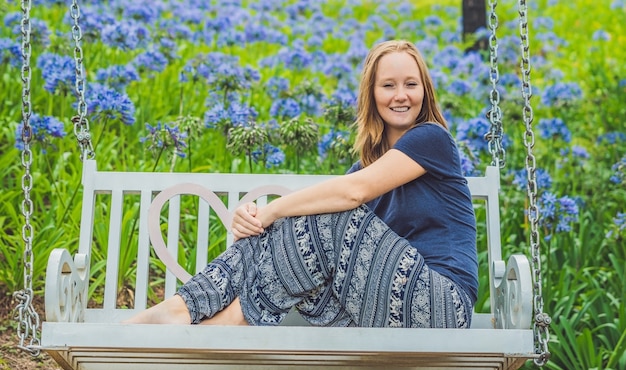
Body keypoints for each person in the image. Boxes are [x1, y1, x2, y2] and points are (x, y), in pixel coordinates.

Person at [124, 39, 478, 328]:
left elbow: (352, 194)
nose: (401, 95)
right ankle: (181, 308)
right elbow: (331, 215)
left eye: (410, 84)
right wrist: (258, 224)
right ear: (371, 94)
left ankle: (227, 325)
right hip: (380, 311)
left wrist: (271, 211)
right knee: (300, 225)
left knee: (331, 212)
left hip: (442, 307)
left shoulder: (431, 139)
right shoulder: (365, 166)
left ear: (424, 91)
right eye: (388, 85)